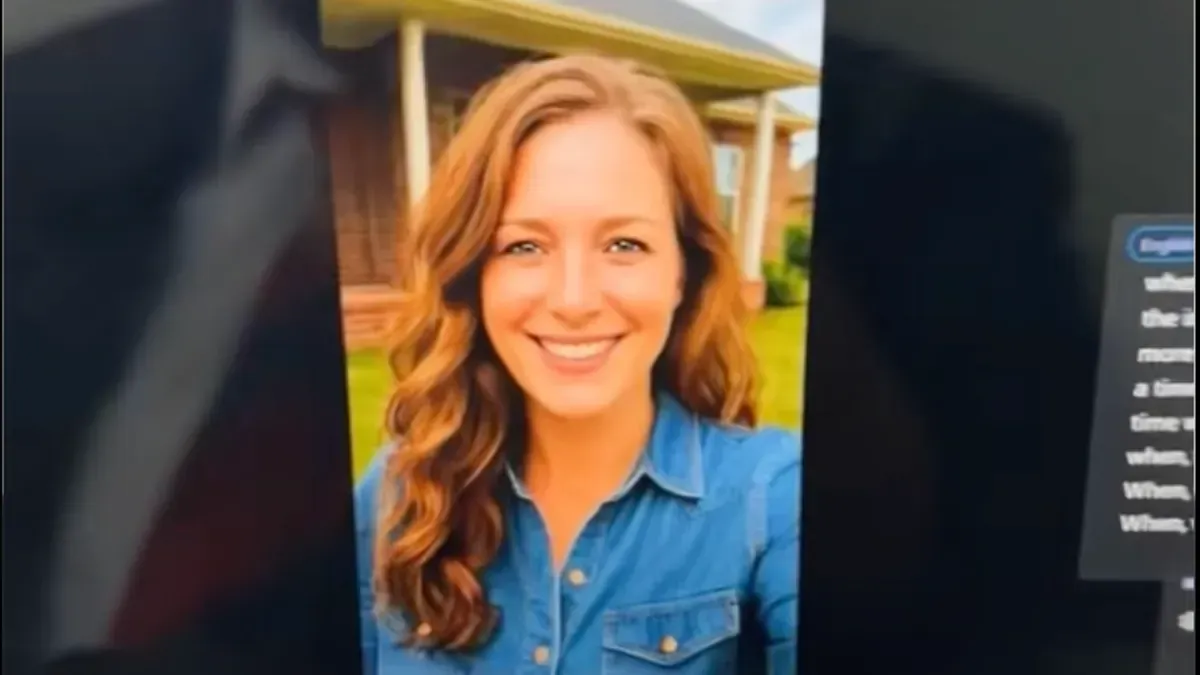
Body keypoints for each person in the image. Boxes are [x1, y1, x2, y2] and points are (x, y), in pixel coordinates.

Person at [355, 54, 801, 675]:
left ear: (683, 273)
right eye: (524, 246)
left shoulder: (773, 500)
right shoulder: (396, 495)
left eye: (624, 244)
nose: (573, 300)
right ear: (474, 275)